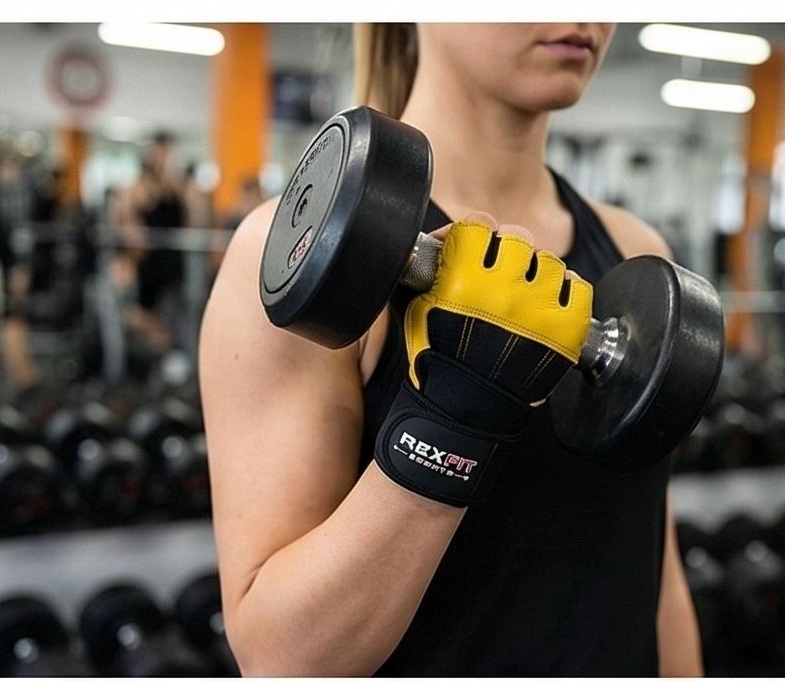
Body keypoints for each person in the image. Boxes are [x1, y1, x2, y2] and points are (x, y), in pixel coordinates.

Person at [200, 23, 703, 676]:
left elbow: (656, 576)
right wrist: (451, 420)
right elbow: (283, 659)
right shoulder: (296, 247)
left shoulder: (636, 253)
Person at [114, 131, 189, 354]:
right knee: (148, 321)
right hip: (148, 269)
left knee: (174, 322)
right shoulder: (136, 191)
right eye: (160, 154)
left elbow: (190, 217)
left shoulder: (175, 188)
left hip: (171, 268)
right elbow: (129, 230)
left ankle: (169, 359)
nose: (164, 159)